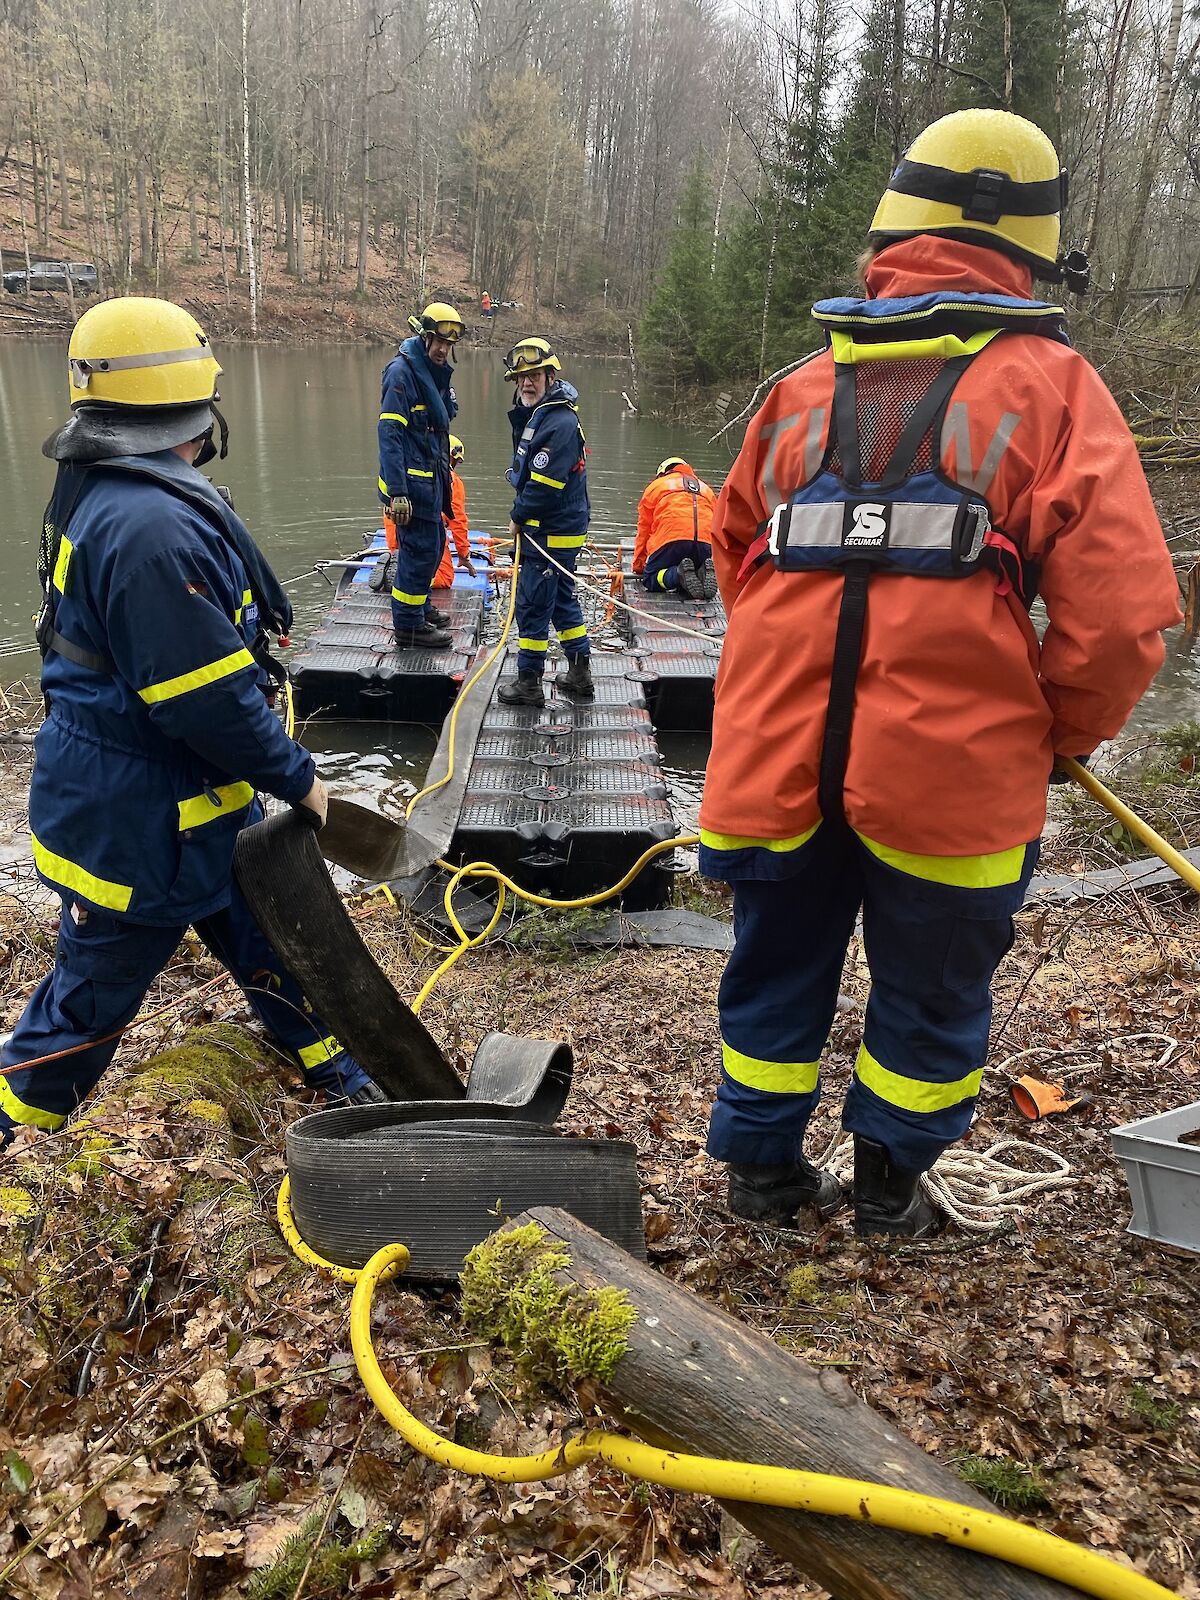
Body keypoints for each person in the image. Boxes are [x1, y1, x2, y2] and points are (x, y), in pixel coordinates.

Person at [698, 110, 1182, 1238]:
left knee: (773, 971)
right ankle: (885, 1192)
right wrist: (1058, 730)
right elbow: (1122, 619)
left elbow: (736, 557)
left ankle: (760, 1180)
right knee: (931, 988)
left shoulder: (801, 389)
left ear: (892, 231)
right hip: (953, 779)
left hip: (772, 763)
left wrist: (790, 681)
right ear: (1032, 246)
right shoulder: (1055, 389)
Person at [0, 296, 386, 1151]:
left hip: (191, 799)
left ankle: (343, 1075)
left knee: (280, 944)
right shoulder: (148, 526)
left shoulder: (107, 487)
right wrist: (305, 784)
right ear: (194, 401)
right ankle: (16, 1129)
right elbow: (204, 700)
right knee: (84, 1011)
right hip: (137, 824)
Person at [497, 338, 592, 707]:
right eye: (521, 377)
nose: (527, 383)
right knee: (562, 601)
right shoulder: (542, 415)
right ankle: (580, 673)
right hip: (558, 529)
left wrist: (518, 517)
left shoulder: (559, 422)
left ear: (550, 377)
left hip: (549, 531)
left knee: (533, 604)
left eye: (534, 375)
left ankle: (529, 682)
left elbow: (544, 484)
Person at [378, 301, 462, 649]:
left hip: (430, 479)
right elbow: (390, 433)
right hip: (410, 487)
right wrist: (397, 491)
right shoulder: (401, 374)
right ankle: (409, 625)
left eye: (449, 344)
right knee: (419, 550)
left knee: (435, 545)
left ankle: (420, 606)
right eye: (437, 341)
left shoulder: (431, 373)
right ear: (424, 337)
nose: (443, 349)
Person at [633, 456, 719, 599]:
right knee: (693, 567)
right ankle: (701, 571)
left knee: (651, 578)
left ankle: (677, 574)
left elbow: (644, 529)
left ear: (662, 473)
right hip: (705, 543)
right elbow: (717, 525)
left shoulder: (656, 486)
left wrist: (639, 565)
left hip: (672, 540)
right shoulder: (706, 489)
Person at [431, 435, 478, 591]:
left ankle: (397, 569)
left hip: (401, 530)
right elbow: (457, 520)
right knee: (443, 579)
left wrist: (394, 549)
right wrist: (463, 555)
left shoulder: (408, 469)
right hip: (430, 530)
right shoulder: (451, 480)